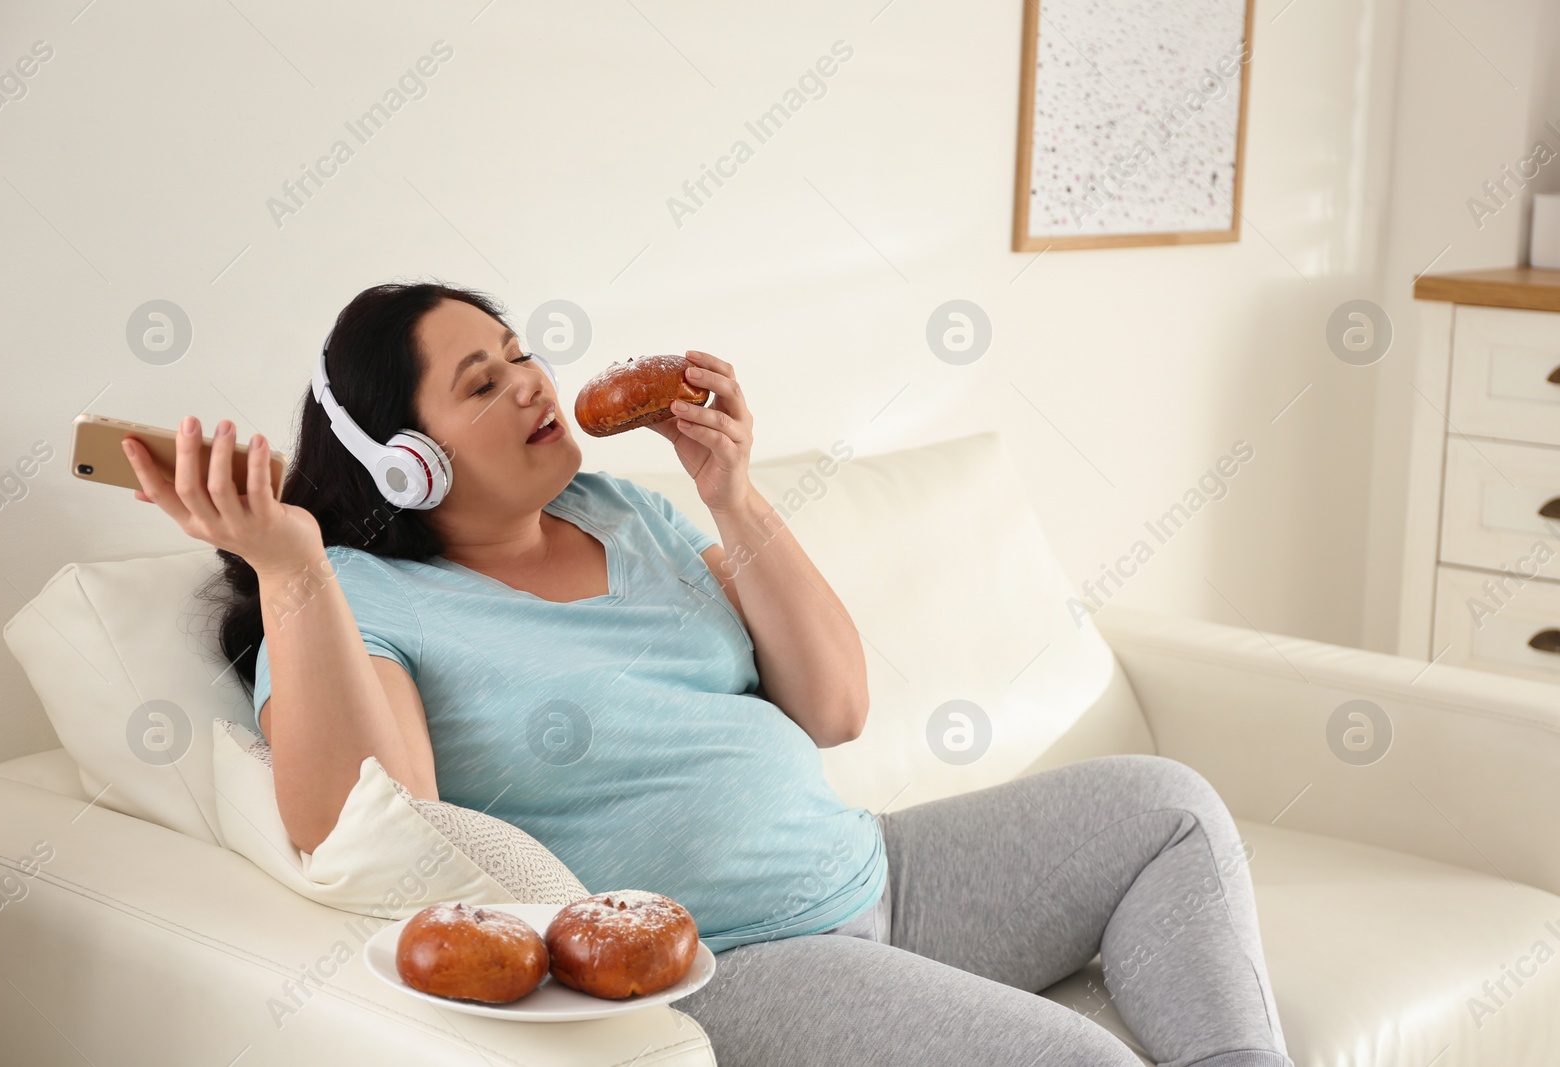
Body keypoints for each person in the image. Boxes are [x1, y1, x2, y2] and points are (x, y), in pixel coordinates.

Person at [124, 281, 1291, 1067]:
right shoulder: (354, 595)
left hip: (880, 865)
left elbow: (835, 703)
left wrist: (731, 489)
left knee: (1167, 806)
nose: (533, 381)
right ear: (405, 461)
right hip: (732, 962)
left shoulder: (623, 508)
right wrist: (288, 566)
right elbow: (364, 821)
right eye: (481, 382)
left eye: (522, 352)